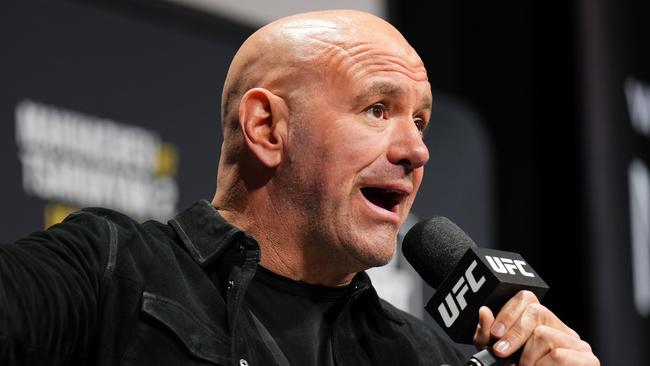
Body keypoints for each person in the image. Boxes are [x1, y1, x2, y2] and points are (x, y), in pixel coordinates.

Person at [0, 9, 598, 366]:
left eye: (420, 121)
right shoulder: (110, 272)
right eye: (376, 109)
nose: (416, 150)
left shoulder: (421, 356)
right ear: (267, 128)